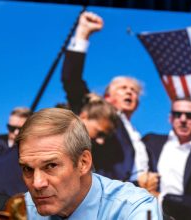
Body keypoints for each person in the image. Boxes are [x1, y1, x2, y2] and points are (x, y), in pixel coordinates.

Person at [61, 11, 158, 190]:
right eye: (123, 88)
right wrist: (82, 34)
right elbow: (71, 80)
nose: (129, 92)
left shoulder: (138, 136)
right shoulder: (97, 115)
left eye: (134, 90)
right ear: (107, 97)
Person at [16, 108, 162, 219]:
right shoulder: (21, 210)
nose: (37, 183)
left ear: (83, 163)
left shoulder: (134, 207)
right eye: (27, 169)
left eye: (51, 166)